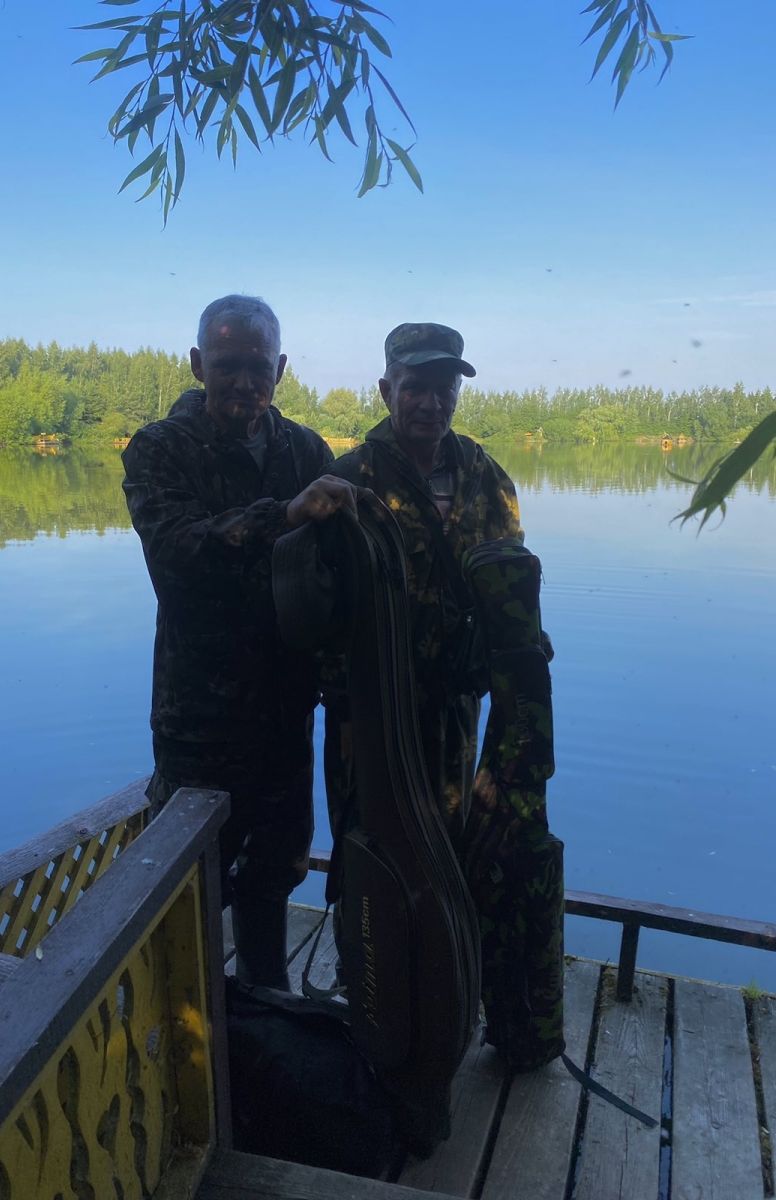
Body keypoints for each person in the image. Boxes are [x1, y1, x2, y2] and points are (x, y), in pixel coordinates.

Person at [322, 323, 563, 1070]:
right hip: (370, 714)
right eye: (415, 387)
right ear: (386, 390)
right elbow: (323, 609)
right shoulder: (348, 478)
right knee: (369, 852)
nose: (430, 403)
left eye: (443, 388)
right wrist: (343, 707)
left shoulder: (487, 476)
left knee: (456, 851)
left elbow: (509, 591)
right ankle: (369, 995)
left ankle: (448, 1000)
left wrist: (519, 675)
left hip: (459, 712)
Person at [122, 294, 356, 990]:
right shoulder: (159, 449)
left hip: (285, 719)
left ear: (280, 369)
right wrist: (283, 515)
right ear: (198, 365)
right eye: (227, 365)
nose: (244, 382)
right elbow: (177, 553)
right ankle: (186, 1025)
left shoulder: (306, 450)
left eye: (259, 366)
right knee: (189, 887)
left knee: (274, 874)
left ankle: (267, 1009)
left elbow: (338, 575)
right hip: (199, 723)